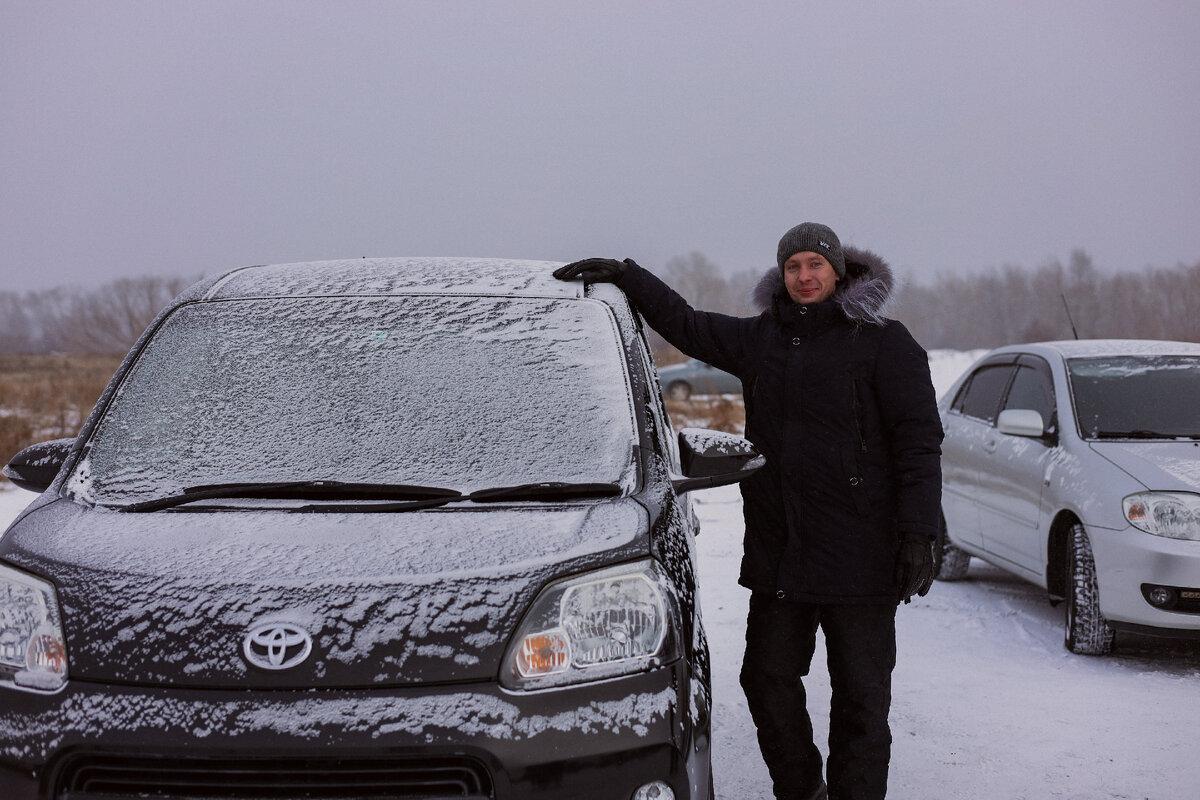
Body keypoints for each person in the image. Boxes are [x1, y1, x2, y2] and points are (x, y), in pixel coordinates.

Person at [554, 222, 943, 800]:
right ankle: (802, 788)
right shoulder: (763, 339)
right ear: (780, 276)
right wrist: (630, 278)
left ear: (837, 271)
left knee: (861, 697)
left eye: (815, 265)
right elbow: (689, 326)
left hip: (862, 555)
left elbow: (918, 441)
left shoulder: (884, 342)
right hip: (782, 552)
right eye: (793, 267)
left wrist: (919, 532)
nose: (805, 277)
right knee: (765, 680)